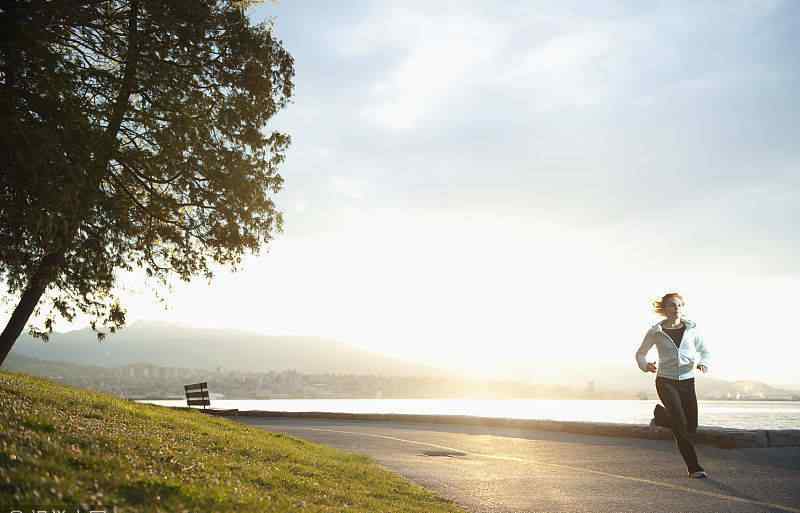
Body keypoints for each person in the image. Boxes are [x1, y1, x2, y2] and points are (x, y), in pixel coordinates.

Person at [636, 292, 711, 478]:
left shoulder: (692, 329)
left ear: (682, 307)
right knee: (679, 424)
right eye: (671, 305)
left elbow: (705, 351)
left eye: (679, 305)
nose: (676, 308)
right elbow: (640, 353)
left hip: (687, 381)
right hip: (665, 380)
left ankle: (661, 417)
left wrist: (703, 363)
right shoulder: (656, 332)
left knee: (691, 425)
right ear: (665, 309)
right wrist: (646, 366)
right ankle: (694, 467)